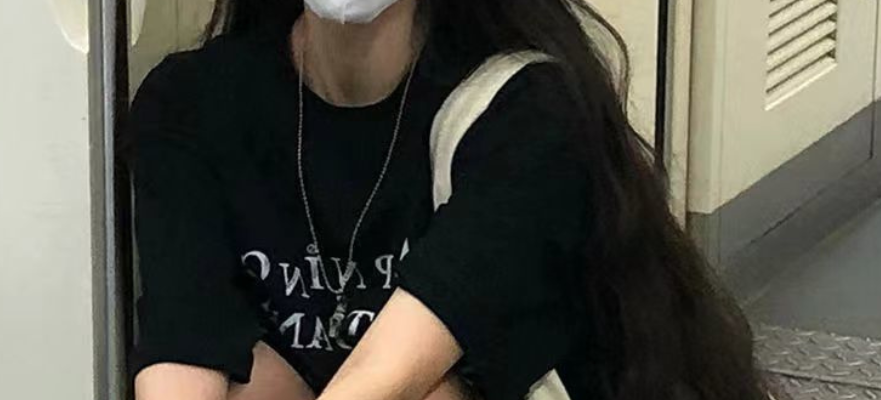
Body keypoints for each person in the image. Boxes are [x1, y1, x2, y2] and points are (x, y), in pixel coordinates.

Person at [127, 0, 771, 399]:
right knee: (241, 377)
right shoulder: (190, 103)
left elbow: (388, 381)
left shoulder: (528, 113)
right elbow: (183, 346)